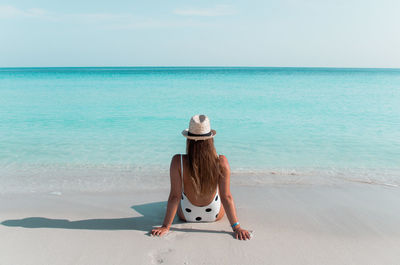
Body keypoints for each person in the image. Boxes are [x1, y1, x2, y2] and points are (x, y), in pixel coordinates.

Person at [151, 114, 251, 240]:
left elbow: (174, 197)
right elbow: (227, 197)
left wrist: (165, 226)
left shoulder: (178, 161)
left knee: (181, 193)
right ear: (210, 140)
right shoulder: (221, 161)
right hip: (214, 214)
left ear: (188, 139)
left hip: (186, 215)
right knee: (220, 192)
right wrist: (237, 227)